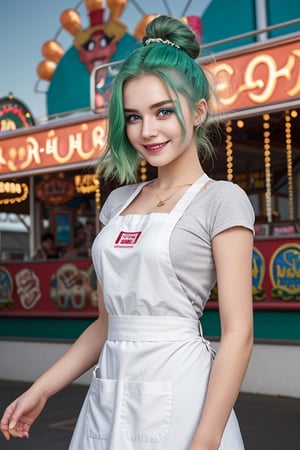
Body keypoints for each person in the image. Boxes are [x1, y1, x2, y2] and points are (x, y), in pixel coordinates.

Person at [0, 15, 255, 450]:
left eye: (163, 112)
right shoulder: (118, 203)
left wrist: (206, 439)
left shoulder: (222, 200)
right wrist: (42, 388)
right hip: (109, 398)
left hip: (185, 401)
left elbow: (239, 333)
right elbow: (106, 325)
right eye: (133, 117)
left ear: (197, 111)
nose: (147, 131)